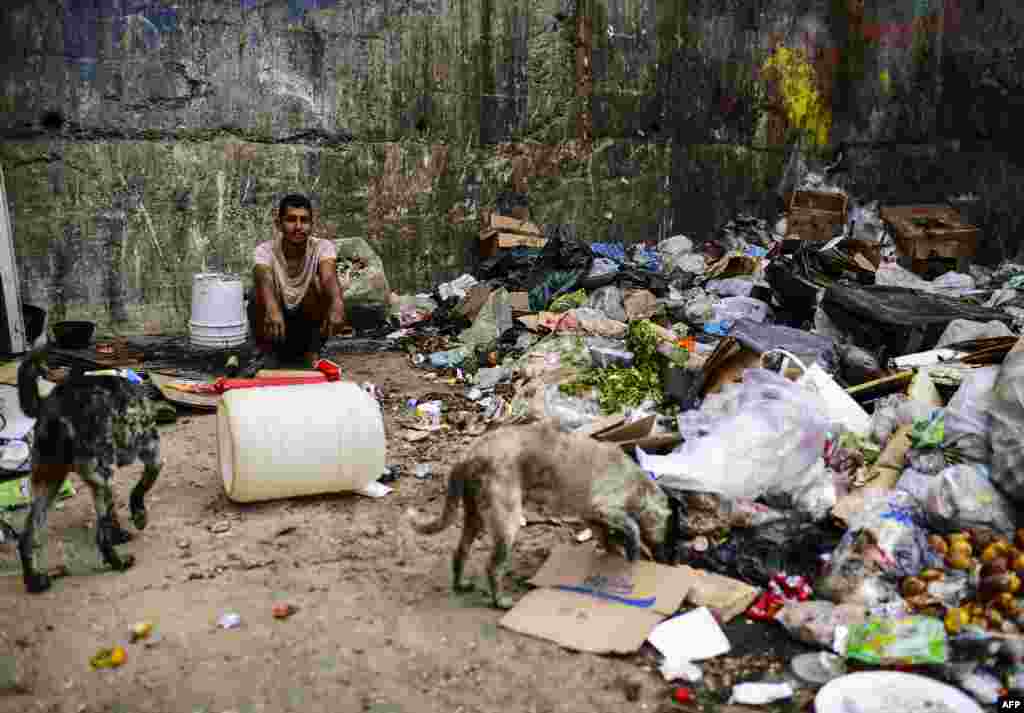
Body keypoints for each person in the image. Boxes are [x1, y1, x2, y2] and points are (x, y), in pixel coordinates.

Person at [248, 194, 346, 367]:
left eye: (304, 220)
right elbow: (263, 277)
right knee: (257, 292)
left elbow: (329, 276)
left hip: (305, 326)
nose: (298, 227)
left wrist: (338, 304)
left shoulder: (322, 247)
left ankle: (313, 352)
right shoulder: (264, 250)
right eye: (291, 220)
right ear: (279, 224)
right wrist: (271, 307)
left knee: (323, 287)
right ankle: (267, 352)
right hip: (275, 325)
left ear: (312, 224)